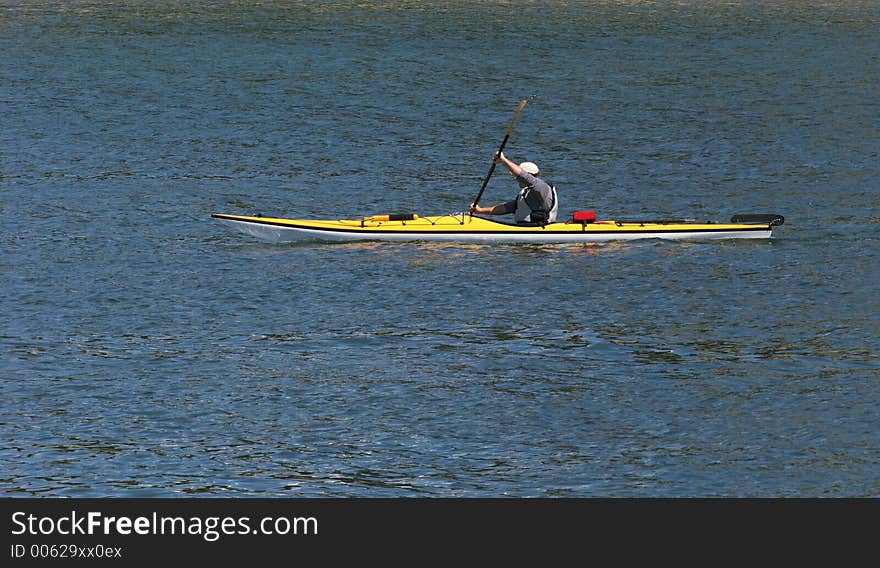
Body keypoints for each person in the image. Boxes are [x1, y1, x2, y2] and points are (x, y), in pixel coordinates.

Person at [469, 151, 558, 225]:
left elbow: (522, 175)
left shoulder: (541, 187)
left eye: (517, 177)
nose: (516, 179)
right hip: (525, 228)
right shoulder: (526, 195)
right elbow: (505, 208)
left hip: (539, 228)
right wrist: (480, 210)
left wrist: (503, 160)